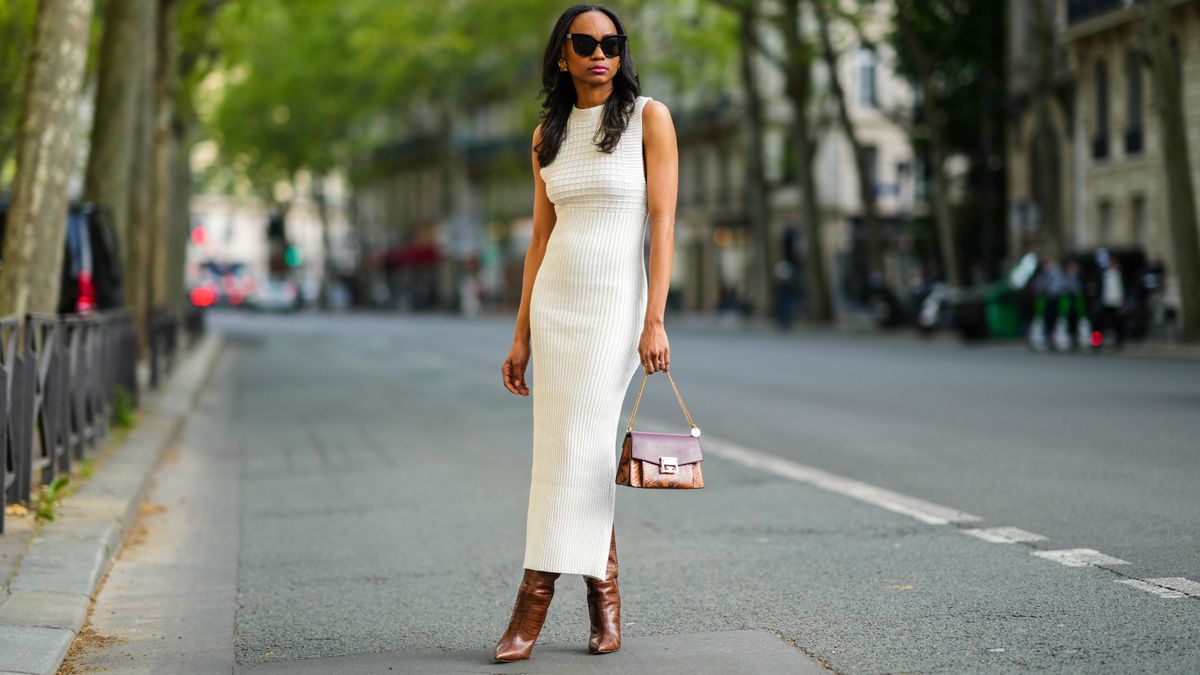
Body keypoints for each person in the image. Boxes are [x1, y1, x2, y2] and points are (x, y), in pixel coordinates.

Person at [496, 5, 678, 663]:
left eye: (610, 43)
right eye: (585, 43)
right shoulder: (545, 135)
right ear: (563, 55)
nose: (599, 52)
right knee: (570, 451)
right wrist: (520, 336)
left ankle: (532, 599)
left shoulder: (649, 119)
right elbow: (540, 238)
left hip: (615, 308)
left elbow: (663, 224)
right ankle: (606, 604)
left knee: (578, 446)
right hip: (557, 307)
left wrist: (654, 317)